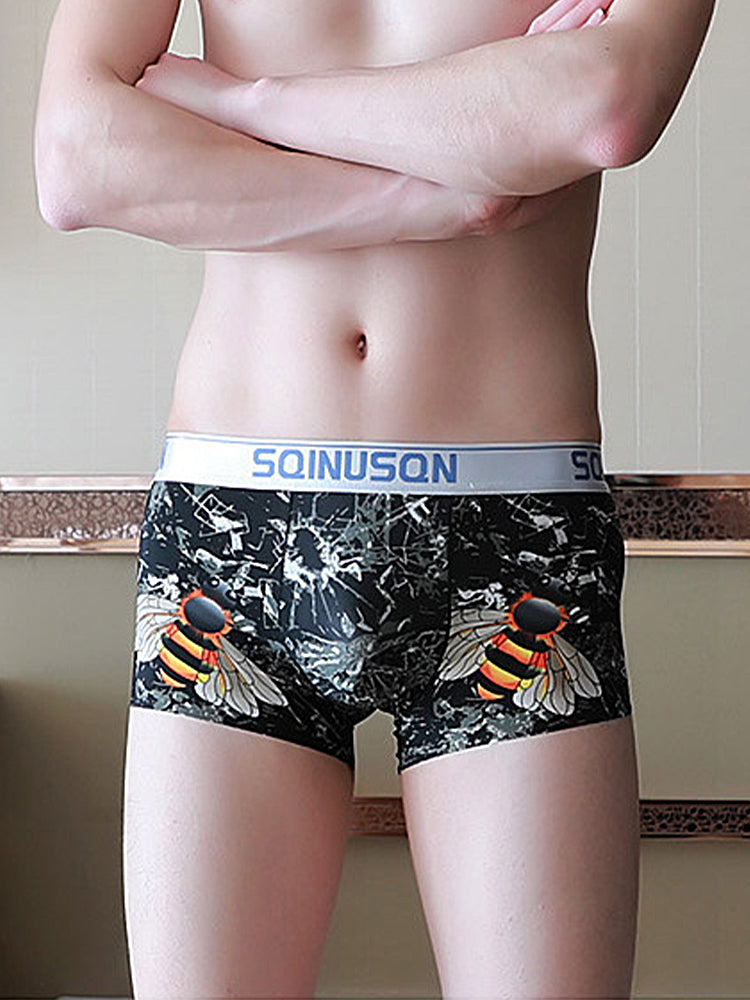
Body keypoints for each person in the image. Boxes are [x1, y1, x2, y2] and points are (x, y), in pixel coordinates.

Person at [34, 0, 715, 996]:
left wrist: (250, 102)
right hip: (233, 533)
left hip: (508, 536)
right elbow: (77, 159)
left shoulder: (248, 97)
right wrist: (433, 196)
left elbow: (602, 107)